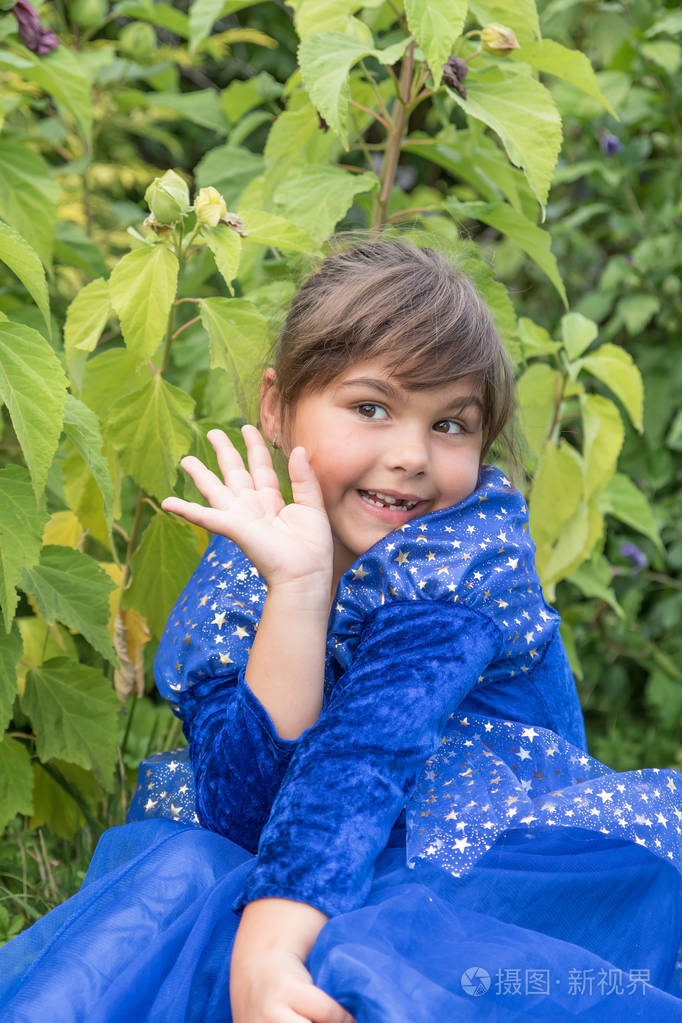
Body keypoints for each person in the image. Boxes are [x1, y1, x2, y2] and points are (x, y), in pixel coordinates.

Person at [1, 240, 681, 1022]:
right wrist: (296, 590)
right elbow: (240, 813)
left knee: (353, 958)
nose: (411, 456)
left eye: (451, 424)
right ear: (275, 405)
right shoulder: (249, 563)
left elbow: (365, 750)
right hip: (304, 844)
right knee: (185, 874)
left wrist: (269, 948)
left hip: (475, 866)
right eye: (371, 407)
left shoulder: (456, 562)